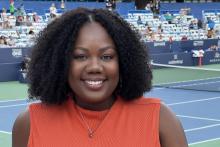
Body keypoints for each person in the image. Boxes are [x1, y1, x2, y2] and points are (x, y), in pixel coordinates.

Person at [12, 8, 188, 147]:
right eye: (80, 56)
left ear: (124, 62)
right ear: (61, 62)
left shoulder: (160, 119)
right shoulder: (28, 124)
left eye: (107, 57)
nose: (95, 67)